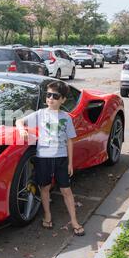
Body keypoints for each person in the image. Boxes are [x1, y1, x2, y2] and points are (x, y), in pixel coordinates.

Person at [16, 81, 85, 236]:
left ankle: (74, 220)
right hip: (43, 157)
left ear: (63, 100)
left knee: (66, 189)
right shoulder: (40, 114)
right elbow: (19, 121)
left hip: (61, 158)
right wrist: (21, 130)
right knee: (45, 188)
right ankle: (47, 215)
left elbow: (69, 140)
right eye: (48, 95)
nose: (51, 98)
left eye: (55, 96)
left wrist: (70, 163)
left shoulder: (66, 118)